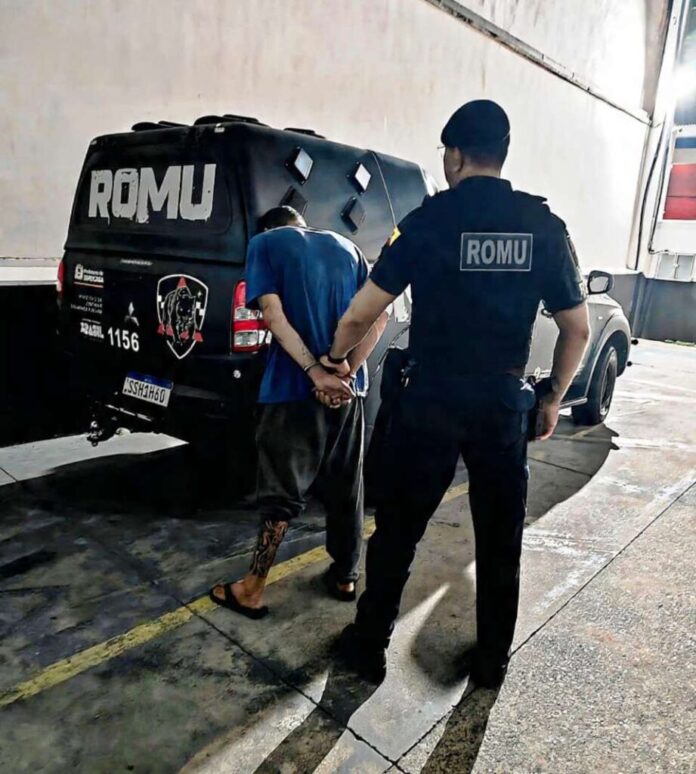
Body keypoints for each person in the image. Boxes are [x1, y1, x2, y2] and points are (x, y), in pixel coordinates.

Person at [323, 100, 591, 686]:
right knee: (499, 541)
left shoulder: (427, 222)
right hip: (501, 405)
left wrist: (334, 360)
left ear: (455, 155)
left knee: (398, 532)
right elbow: (578, 328)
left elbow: (363, 313)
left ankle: (369, 646)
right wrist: (550, 398)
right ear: (502, 153)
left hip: (430, 403)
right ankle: (492, 660)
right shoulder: (543, 227)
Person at [210, 206, 387, 618]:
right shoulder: (348, 248)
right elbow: (377, 317)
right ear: (303, 225)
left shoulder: (265, 243)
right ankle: (345, 576)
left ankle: (252, 589)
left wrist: (314, 373)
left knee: (282, 491)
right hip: (349, 391)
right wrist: (344, 372)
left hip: (291, 389)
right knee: (347, 487)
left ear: (270, 227)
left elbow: (273, 316)